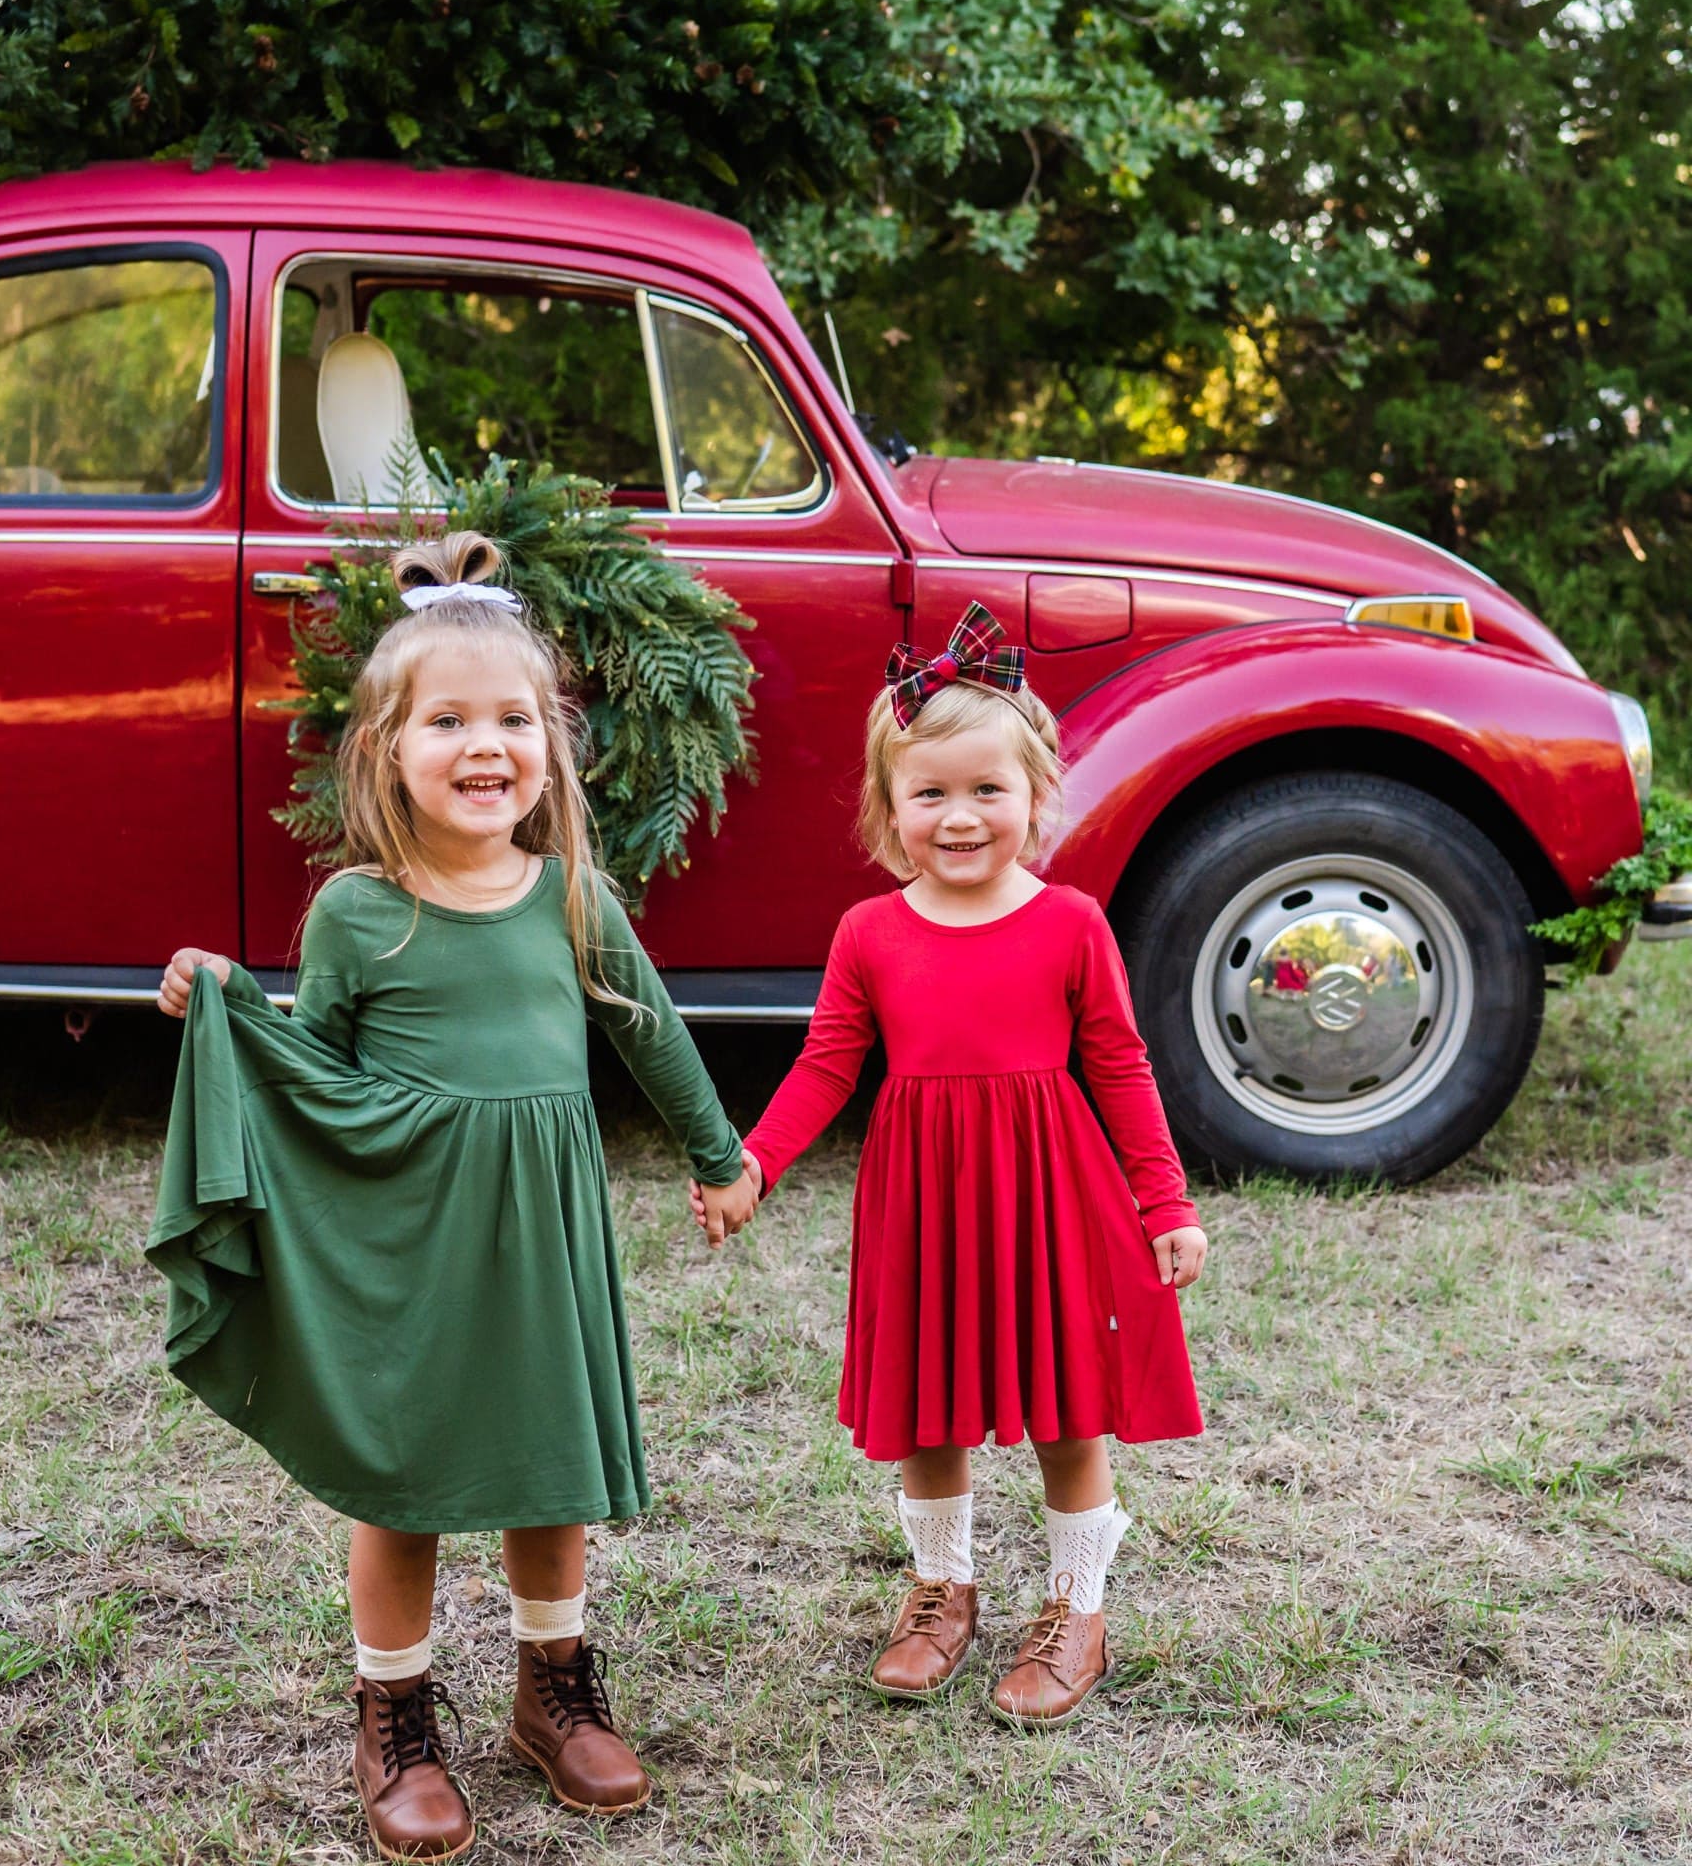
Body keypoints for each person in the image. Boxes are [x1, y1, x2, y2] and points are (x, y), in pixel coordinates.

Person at [148, 532, 758, 1861]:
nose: (486, 749)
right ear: (386, 751)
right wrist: (233, 1009)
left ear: (551, 741)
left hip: (543, 1236)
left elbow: (650, 1033)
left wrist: (718, 1154)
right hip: (413, 1236)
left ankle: (554, 1689)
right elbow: (311, 1074)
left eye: (514, 720)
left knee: (552, 1475)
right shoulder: (360, 915)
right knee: (404, 1476)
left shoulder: (574, 899)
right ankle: (397, 1715)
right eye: (448, 722)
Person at [692, 600, 1207, 1726]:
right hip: (922, 1195)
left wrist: (1162, 1199)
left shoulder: (1070, 921)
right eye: (929, 793)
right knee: (929, 1407)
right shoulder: (869, 932)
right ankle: (942, 1590)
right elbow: (827, 1065)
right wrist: (752, 1165)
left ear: (1035, 799)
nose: (960, 815)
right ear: (888, 810)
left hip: (1050, 1192)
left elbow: (1119, 1066)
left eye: (988, 790)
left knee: (1070, 1407)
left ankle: (1077, 1605)